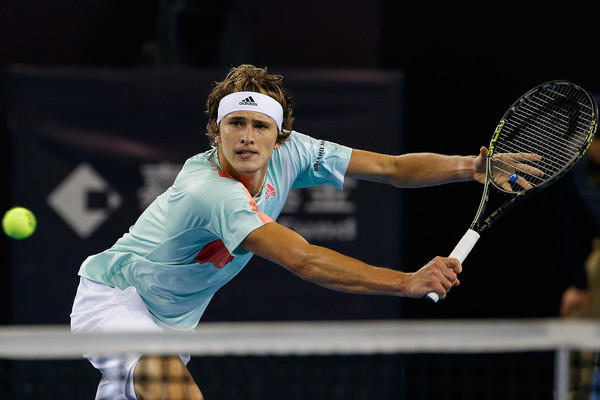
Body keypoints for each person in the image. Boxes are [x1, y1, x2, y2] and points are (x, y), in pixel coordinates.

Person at [70, 64, 491, 400]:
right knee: (171, 380)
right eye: (235, 123)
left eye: (260, 126)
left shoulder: (296, 151)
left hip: (173, 322)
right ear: (216, 131)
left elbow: (392, 168)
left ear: (279, 137)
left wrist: (470, 167)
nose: (247, 137)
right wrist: (406, 283)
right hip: (116, 301)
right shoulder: (211, 191)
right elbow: (302, 260)